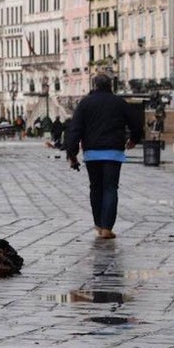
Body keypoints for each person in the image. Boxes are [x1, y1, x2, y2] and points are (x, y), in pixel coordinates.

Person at [64, 74, 144, 239]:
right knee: (110, 188)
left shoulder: (85, 103)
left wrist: (72, 153)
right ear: (111, 85)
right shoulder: (119, 102)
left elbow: (75, 129)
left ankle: (99, 225)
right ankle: (107, 227)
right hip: (113, 152)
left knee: (95, 187)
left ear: (94, 85)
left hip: (92, 153)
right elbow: (136, 122)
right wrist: (134, 139)